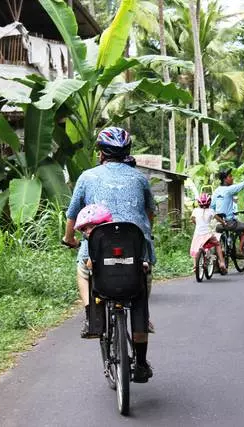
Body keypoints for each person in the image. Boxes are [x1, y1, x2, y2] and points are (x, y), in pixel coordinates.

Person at [62, 126, 155, 383]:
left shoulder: (86, 177)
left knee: (83, 269)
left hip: (98, 252)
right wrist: (146, 235)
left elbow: (72, 215)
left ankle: (92, 314)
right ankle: (141, 359)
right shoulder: (140, 178)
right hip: (135, 252)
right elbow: (149, 215)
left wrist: (69, 239)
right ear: (127, 152)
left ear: (101, 152)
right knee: (141, 283)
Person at [190, 193, 227, 274]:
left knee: (195, 248)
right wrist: (224, 223)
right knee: (217, 244)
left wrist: (197, 223)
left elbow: (192, 219)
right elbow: (219, 219)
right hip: (208, 235)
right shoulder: (211, 211)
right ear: (209, 203)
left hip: (198, 235)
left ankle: (195, 266)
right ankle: (222, 262)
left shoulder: (195, 211)